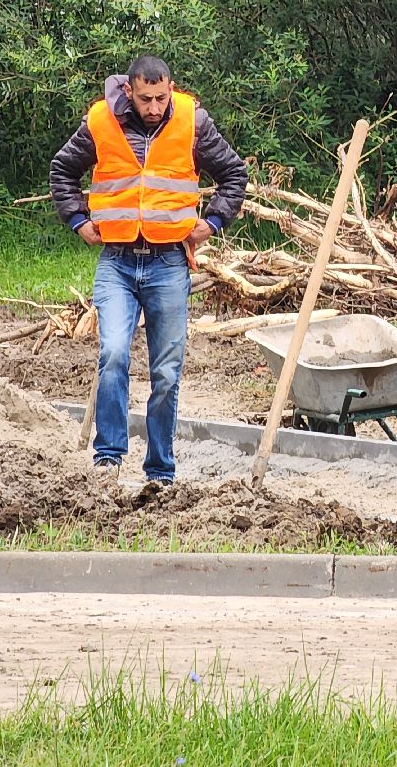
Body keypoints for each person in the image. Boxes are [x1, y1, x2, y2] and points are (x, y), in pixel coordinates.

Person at [50, 55, 248, 484]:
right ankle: (108, 457)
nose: (154, 107)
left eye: (161, 98)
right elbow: (62, 169)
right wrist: (78, 220)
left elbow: (234, 173)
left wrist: (213, 221)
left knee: (166, 372)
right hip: (117, 261)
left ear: (170, 89)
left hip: (169, 263)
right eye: (145, 99)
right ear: (129, 91)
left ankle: (160, 470)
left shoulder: (193, 121)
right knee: (113, 354)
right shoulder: (100, 120)